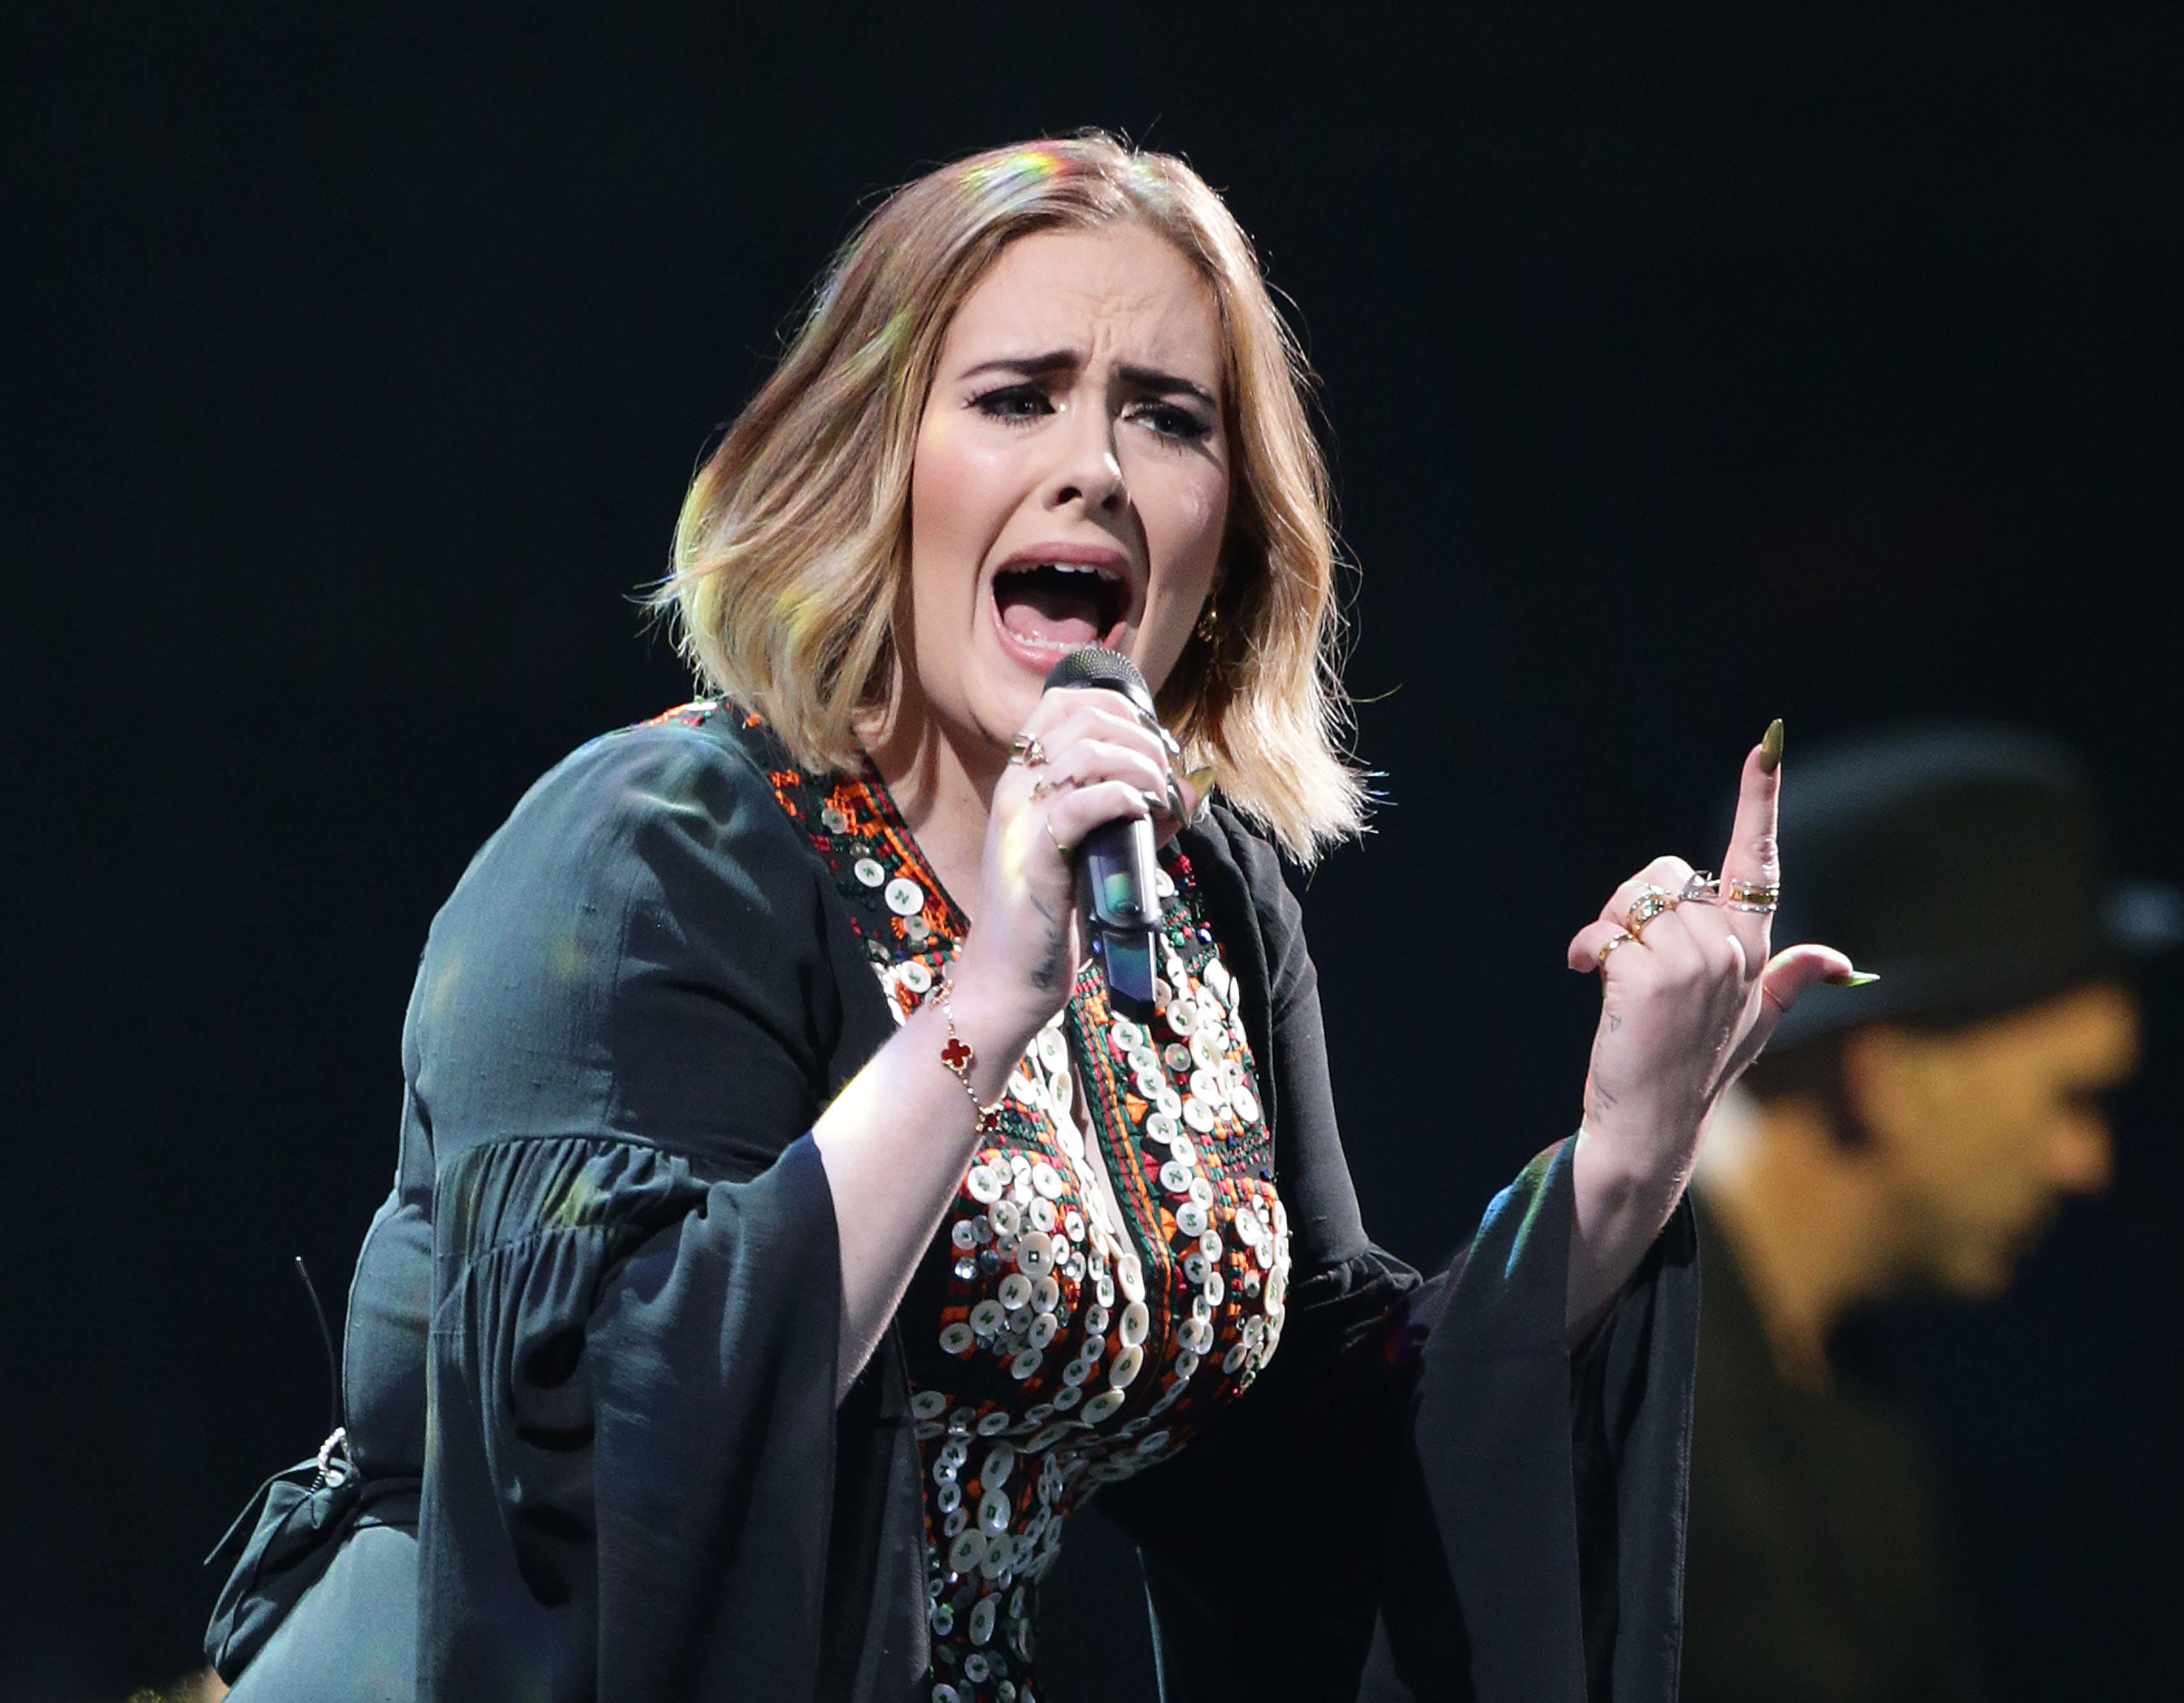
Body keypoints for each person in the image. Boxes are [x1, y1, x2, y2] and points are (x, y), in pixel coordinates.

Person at [202, 133, 1866, 1703]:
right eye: (1018, 398)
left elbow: (1309, 1454)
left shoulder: (1202, 900)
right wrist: (992, 988)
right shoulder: (653, 848)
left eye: (1168, 417)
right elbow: (606, 1431)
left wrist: (1627, 1149)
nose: (1097, 468)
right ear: (874, 463)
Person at [1674, 724, 2184, 1703]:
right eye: (2067, 1099)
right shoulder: (1607, 1392)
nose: (2089, 1163)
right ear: (1886, 1077)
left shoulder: (1828, 1376)